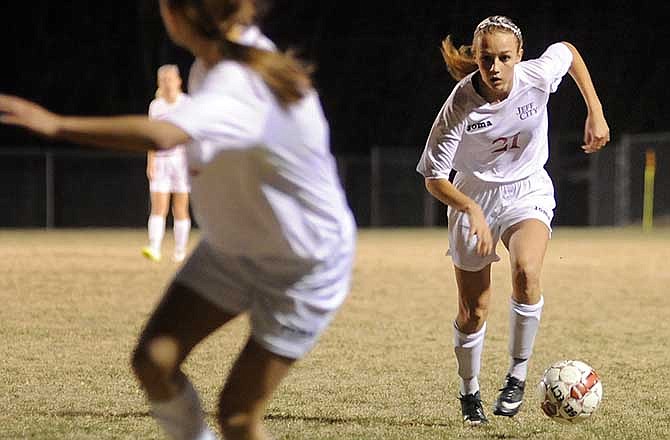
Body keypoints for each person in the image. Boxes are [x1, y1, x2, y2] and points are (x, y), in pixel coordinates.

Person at [0, 1, 356, 439]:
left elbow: (162, 134)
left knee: (238, 418)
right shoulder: (219, 63)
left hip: (302, 266)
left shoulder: (239, 80)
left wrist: (56, 124)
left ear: (178, 17)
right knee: (154, 361)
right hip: (234, 249)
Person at [416, 15, 609, 425]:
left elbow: (568, 52)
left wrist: (595, 110)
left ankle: (517, 376)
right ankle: (470, 392)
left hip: (527, 189)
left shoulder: (536, 75)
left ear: (520, 56)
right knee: (474, 311)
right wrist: (470, 208)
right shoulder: (459, 105)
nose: (496, 67)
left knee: (526, 271)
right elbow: (434, 178)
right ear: (477, 58)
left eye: (505, 58)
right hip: (474, 195)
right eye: (487, 58)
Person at [144, 64, 192, 263]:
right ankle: (154, 247)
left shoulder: (187, 104)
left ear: (179, 81)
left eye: (170, 79)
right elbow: (151, 137)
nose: (168, 83)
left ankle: (180, 250)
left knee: (180, 208)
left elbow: (193, 135)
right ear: (159, 83)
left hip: (182, 161)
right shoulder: (156, 106)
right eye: (163, 80)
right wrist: (151, 162)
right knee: (159, 207)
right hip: (162, 161)